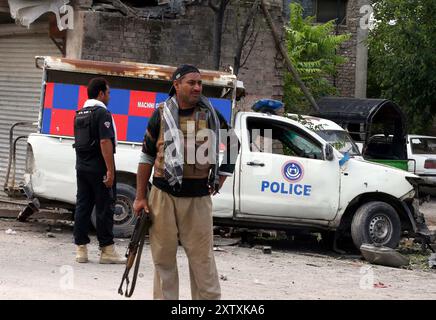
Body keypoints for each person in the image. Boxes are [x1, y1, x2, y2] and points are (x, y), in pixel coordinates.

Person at [133, 64, 236, 300]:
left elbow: (232, 142)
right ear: (176, 85)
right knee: (163, 258)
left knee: (202, 260)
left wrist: (221, 177)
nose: (197, 87)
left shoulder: (210, 113)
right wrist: (140, 197)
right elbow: (147, 156)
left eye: (200, 83)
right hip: (162, 195)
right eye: (191, 82)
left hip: (198, 197)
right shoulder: (160, 114)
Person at [73, 77, 126, 264]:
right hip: (99, 169)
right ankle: (107, 251)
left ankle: (81, 250)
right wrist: (110, 171)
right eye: (108, 92)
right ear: (101, 93)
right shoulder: (102, 113)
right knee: (104, 208)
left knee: (83, 206)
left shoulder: (80, 113)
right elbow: (105, 142)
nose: (109, 96)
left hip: (82, 167)